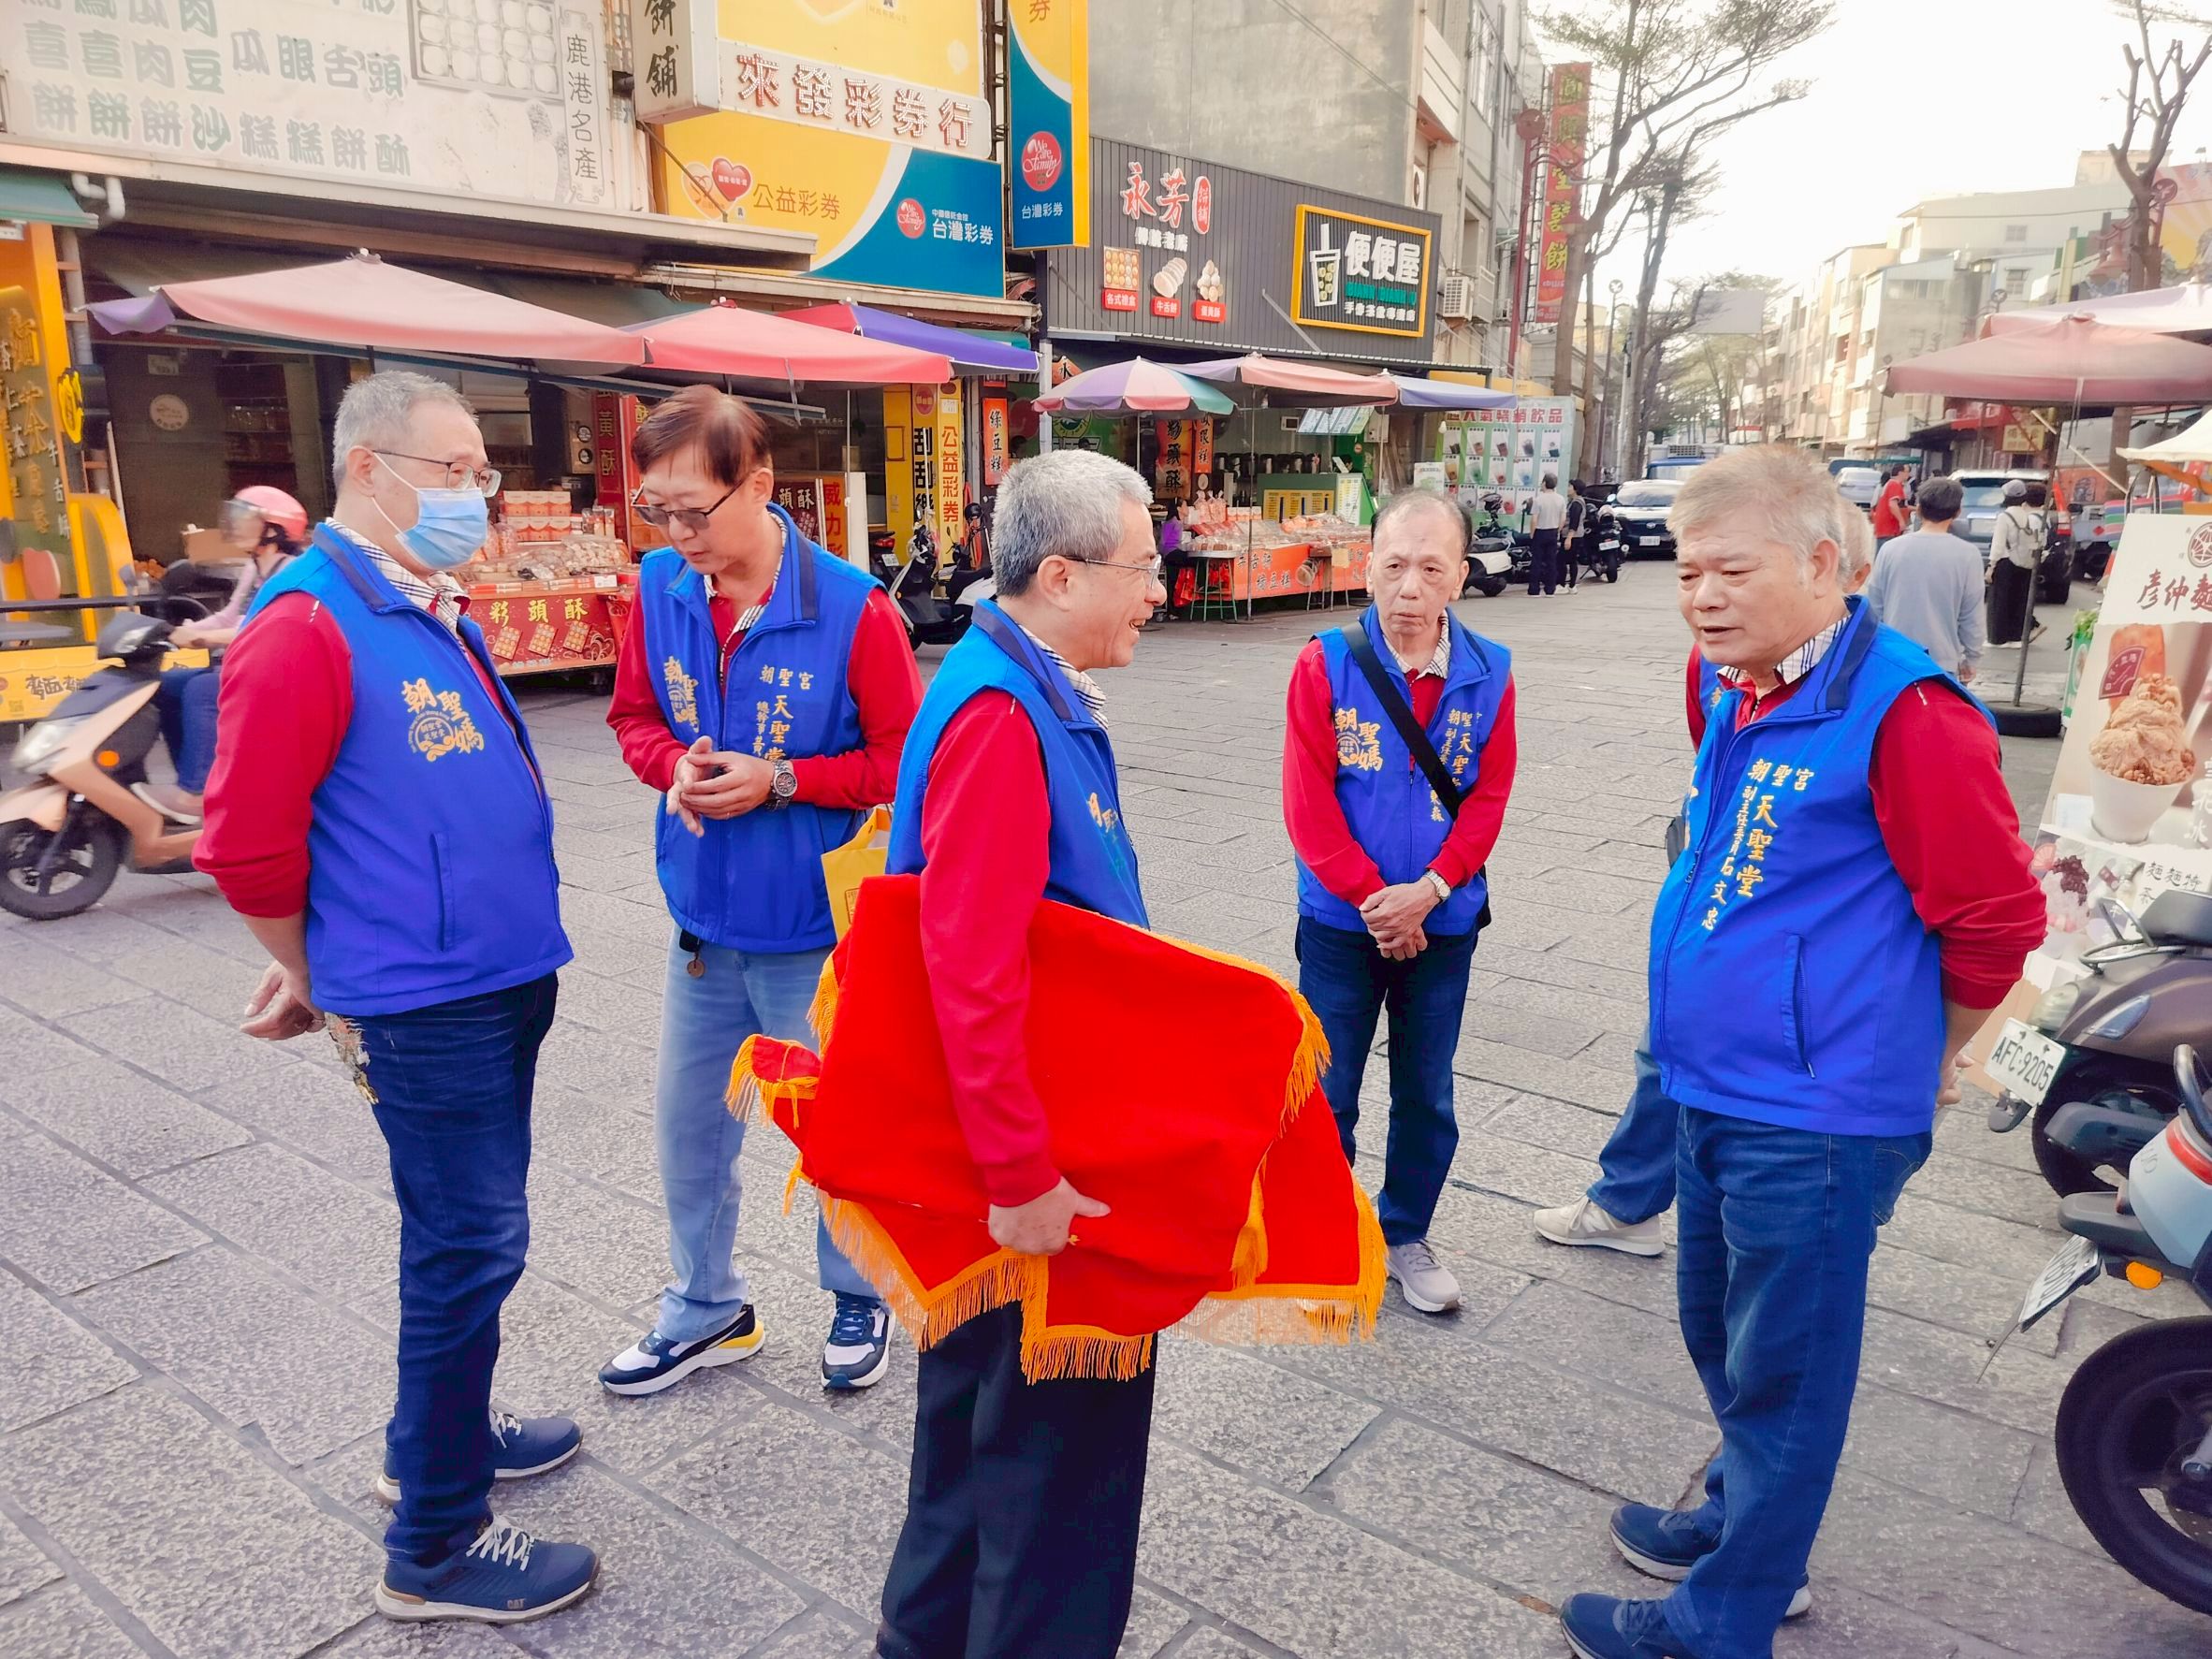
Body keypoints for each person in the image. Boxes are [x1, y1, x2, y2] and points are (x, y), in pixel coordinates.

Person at [1555, 446, 2042, 1659]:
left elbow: (1995, 919)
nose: (1702, 596)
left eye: (1731, 570)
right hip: (1714, 1083)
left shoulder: (1912, 714)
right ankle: (1745, 1521)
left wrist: (1933, 1054)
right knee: (1720, 1327)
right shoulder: (1742, 684)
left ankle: (1729, 1615)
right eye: (1687, 573)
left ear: (1826, 564)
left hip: (1817, 1115)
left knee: (1787, 1370)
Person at [193, 371, 595, 1624]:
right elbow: (243, 846)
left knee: (464, 1236)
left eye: (482, 473)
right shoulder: (305, 623)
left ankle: (441, 1435)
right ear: (367, 469)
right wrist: (315, 972)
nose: (476, 494)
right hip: (426, 1001)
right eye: (453, 471)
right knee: (471, 1243)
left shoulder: (419, 601)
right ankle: (435, 1540)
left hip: (491, 974)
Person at [872, 449, 1168, 1659]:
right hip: (1037, 1162)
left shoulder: (1018, 683)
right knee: (1053, 1478)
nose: (1159, 591)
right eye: (1142, 567)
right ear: (1061, 575)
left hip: (1028, 1134)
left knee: (975, 1442)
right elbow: (970, 966)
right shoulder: (1001, 716)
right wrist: (1021, 1175)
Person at [602, 386, 920, 1396]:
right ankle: (706, 1307)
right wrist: (675, 769)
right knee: (690, 1130)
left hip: (813, 930)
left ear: (761, 485)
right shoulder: (660, 588)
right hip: (702, 923)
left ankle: (859, 1293)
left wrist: (782, 779)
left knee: (835, 1127)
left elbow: (903, 759)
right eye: (658, 511)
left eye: (695, 509)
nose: (679, 534)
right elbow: (633, 718)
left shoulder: (853, 608)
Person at [1283, 489, 1518, 1313]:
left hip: (1443, 919)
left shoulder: (1492, 672)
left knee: (1426, 1090)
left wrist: (1432, 889)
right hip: (1342, 922)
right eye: (1393, 566)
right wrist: (1375, 899)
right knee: (1328, 1088)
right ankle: (1324, 1236)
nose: (1409, 587)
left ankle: (1406, 1232)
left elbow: (1488, 798)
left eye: (1430, 568)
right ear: (1368, 568)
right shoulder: (1325, 663)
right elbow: (1307, 803)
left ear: (1460, 575)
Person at [135, 487, 309, 823]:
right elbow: (231, 616)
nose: (236, 524)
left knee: (203, 689)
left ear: (274, 530)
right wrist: (179, 631)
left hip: (279, 676)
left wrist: (204, 639)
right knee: (167, 685)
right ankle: (191, 780)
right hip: (249, 667)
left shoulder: (291, 571)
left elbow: (262, 627)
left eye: (247, 518)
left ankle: (196, 794)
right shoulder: (254, 567)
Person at [1860, 475, 1983, 684]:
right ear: (1957, 512)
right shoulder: (1968, 555)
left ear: (1918, 509)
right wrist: (1971, 658)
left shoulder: (1891, 549)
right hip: (1941, 663)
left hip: (1894, 659)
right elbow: (1971, 614)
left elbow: (1874, 607)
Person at [1986, 477, 2044, 647]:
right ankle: (2016, 638)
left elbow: (1998, 544)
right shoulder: (2027, 515)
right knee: (2018, 600)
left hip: (2005, 561)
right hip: (2023, 561)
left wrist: (1991, 566)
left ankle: (1998, 639)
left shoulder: (2005, 516)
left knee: (1999, 601)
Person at [1528, 473, 1568, 595]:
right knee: (1551, 562)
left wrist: (1532, 533)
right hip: (1553, 532)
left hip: (1540, 532)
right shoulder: (1561, 499)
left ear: (1545, 483)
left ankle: (1534, 589)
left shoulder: (1538, 500)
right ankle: (1550, 589)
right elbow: (1563, 518)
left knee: (1536, 561)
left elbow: (1534, 519)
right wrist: (1558, 530)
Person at [1870, 462, 1911, 546]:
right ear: (1900, 473)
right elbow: (1892, 505)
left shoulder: (1890, 483)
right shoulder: (1895, 485)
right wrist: (1901, 521)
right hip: (1888, 527)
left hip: (1883, 526)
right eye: (1907, 472)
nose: (1908, 474)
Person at [1563, 479, 1589, 589]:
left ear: (1575, 489)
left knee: (1563, 560)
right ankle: (1571, 586)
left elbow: (1574, 522)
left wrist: (1569, 538)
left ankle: (1566, 585)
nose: (1568, 488)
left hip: (1573, 536)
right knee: (1571, 560)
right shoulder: (1575, 502)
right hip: (1575, 535)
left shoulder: (1576, 503)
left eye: (1570, 486)